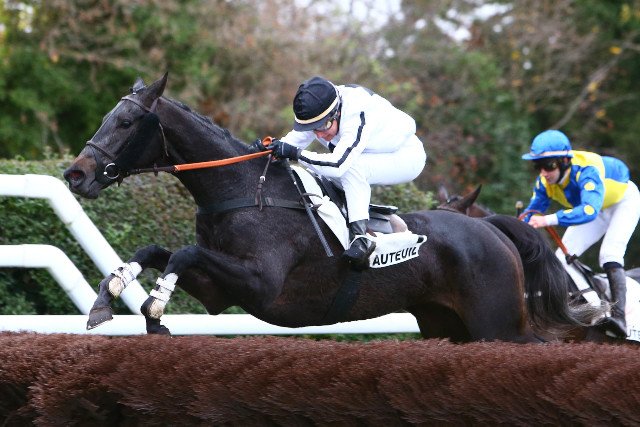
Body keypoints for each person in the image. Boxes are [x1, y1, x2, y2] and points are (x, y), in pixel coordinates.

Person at [266, 76, 426, 269]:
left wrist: (295, 154)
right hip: (369, 155)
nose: (319, 134)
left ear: (338, 111)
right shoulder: (322, 112)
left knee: (349, 169)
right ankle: (380, 219)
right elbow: (293, 142)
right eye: (312, 129)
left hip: (405, 156)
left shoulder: (357, 111)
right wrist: (266, 152)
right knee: (319, 175)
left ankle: (361, 239)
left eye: (323, 126)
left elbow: (338, 165)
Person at [520, 129, 640, 338]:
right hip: (596, 209)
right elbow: (530, 213)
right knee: (560, 260)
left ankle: (620, 318)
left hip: (623, 203)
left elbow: (589, 210)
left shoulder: (586, 170)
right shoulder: (544, 182)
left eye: (549, 165)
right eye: (538, 166)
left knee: (609, 254)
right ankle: (595, 309)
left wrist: (548, 219)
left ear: (565, 161)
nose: (544, 173)